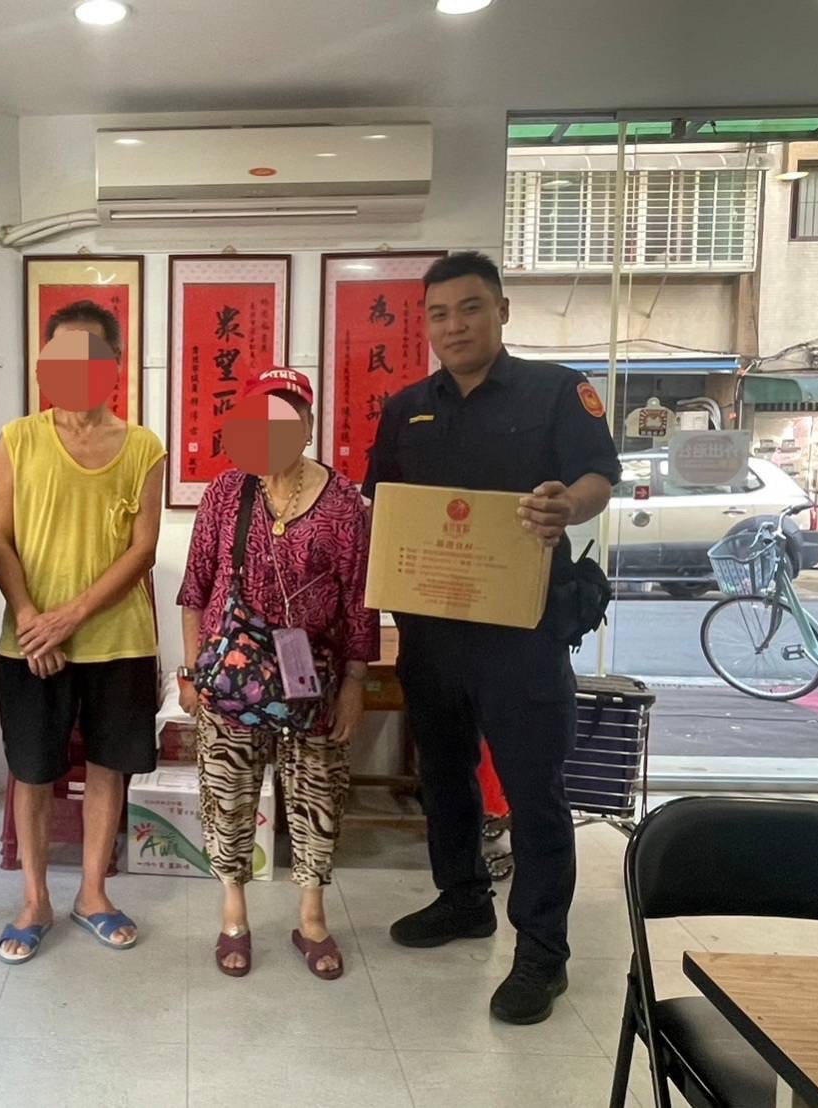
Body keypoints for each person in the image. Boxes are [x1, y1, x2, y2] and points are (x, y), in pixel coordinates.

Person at [364, 252, 621, 1025]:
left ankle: (542, 954)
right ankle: (463, 898)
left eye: (470, 308)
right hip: (433, 632)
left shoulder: (556, 391)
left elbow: (598, 477)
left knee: (534, 791)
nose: (454, 326)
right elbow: (384, 506)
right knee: (443, 774)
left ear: (502, 310)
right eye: (439, 314)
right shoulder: (407, 408)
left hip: (523, 632)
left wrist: (566, 507)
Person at [178, 368, 378, 980]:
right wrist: (190, 673)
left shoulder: (344, 504)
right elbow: (194, 589)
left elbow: (360, 605)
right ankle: (233, 914)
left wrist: (354, 685)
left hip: (313, 678)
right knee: (228, 794)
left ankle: (311, 918)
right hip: (229, 677)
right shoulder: (226, 492)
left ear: (309, 426)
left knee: (318, 794)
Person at [0, 300, 166, 963]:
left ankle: (93, 892)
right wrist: (31, 619)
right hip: (32, 641)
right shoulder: (18, 438)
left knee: (107, 768)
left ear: (114, 364)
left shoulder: (144, 446)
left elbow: (142, 549)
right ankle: (35, 898)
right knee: (32, 772)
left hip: (119, 640)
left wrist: (71, 616)